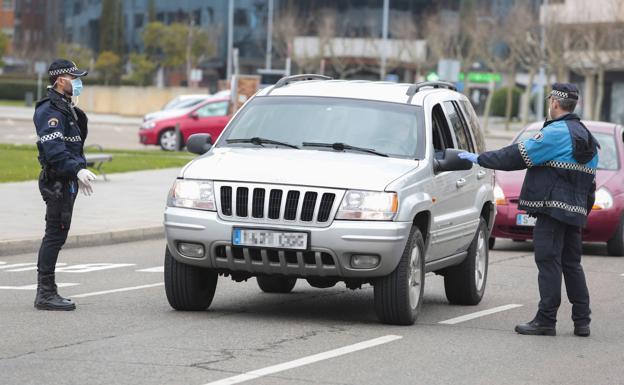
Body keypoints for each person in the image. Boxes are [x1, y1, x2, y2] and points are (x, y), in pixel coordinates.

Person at [458, 83, 598, 337]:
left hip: (551, 210)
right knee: (572, 264)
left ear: (555, 103)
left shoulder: (555, 133)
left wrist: (479, 158)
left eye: (550, 102)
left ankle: (546, 320)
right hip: (574, 213)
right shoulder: (587, 137)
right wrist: (580, 213)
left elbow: (517, 156)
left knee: (548, 261)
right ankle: (582, 321)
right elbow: (591, 185)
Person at [34, 59, 96, 311]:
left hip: (66, 180)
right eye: (75, 77)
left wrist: (77, 171)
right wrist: (77, 170)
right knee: (54, 235)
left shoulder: (67, 108)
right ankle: (45, 293)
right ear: (61, 80)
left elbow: (72, 146)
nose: (79, 82)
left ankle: (48, 291)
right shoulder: (49, 110)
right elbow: (55, 151)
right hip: (56, 182)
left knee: (58, 234)